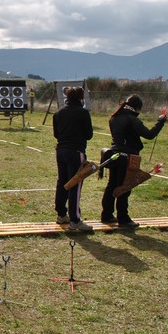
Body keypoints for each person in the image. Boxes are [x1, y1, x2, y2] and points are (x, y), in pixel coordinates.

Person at [101, 94, 166, 228]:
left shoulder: (114, 117)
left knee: (112, 185)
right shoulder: (132, 120)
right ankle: (123, 219)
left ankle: (106, 215)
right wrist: (160, 122)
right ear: (137, 108)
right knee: (125, 187)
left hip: (114, 155)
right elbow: (149, 135)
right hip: (128, 158)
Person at [53, 87, 94, 231]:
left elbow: (56, 133)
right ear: (80, 98)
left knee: (62, 181)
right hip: (76, 152)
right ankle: (75, 220)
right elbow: (89, 134)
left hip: (61, 150)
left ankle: (61, 214)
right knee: (75, 183)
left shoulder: (58, 112)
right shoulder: (83, 113)